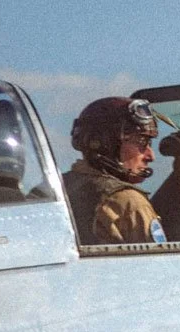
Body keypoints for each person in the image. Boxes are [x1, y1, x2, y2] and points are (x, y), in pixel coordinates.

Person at [62, 97, 167, 245]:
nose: (151, 156)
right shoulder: (129, 202)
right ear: (106, 143)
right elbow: (160, 265)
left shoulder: (55, 189)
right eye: (141, 143)